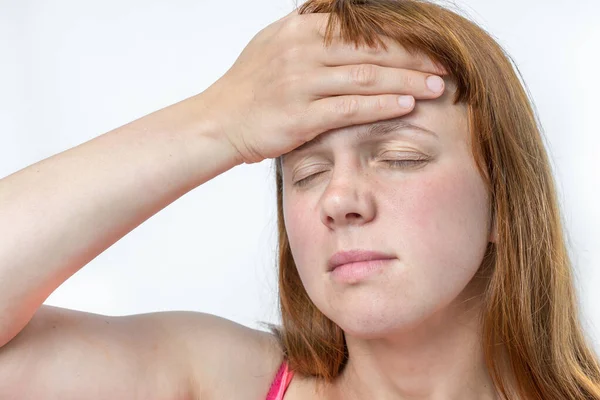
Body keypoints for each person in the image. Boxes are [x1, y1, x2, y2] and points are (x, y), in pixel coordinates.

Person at [0, 0, 598, 399]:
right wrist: (217, 122)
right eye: (307, 172)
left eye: (399, 157)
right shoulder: (217, 381)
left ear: (505, 201)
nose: (339, 199)